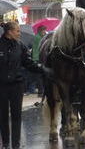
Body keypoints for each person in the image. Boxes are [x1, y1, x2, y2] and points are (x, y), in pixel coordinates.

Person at [0, 21, 43, 149]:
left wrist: (44, 69)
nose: (19, 33)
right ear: (9, 32)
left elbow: (29, 63)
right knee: (2, 115)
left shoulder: (21, 46)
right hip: (1, 86)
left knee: (16, 116)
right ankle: (6, 143)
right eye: (17, 31)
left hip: (17, 86)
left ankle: (16, 145)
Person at [29, 26, 46, 96]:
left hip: (37, 57)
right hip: (37, 58)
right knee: (39, 76)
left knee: (38, 75)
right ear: (40, 31)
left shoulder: (38, 37)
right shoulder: (38, 37)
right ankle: (41, 91)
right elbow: (43, 45)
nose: (45, 32)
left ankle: (40, 90)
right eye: (44, 31)